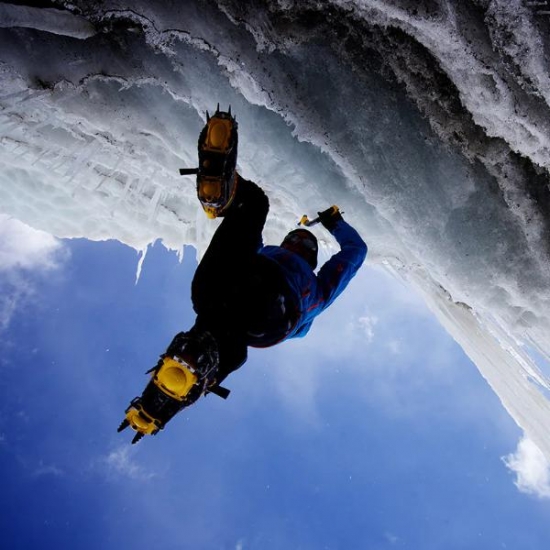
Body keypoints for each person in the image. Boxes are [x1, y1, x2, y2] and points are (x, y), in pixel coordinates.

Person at [118, 108, 367, 442]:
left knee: (251, 212)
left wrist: (333, 221)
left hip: (257, 303)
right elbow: (352, 256)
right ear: (310, 258)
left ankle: (219, 197)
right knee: (250, 208)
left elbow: (354, 254)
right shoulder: (298, 283)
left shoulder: (284, 271)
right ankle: (172, 387)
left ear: (292, 246)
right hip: (218, 297)